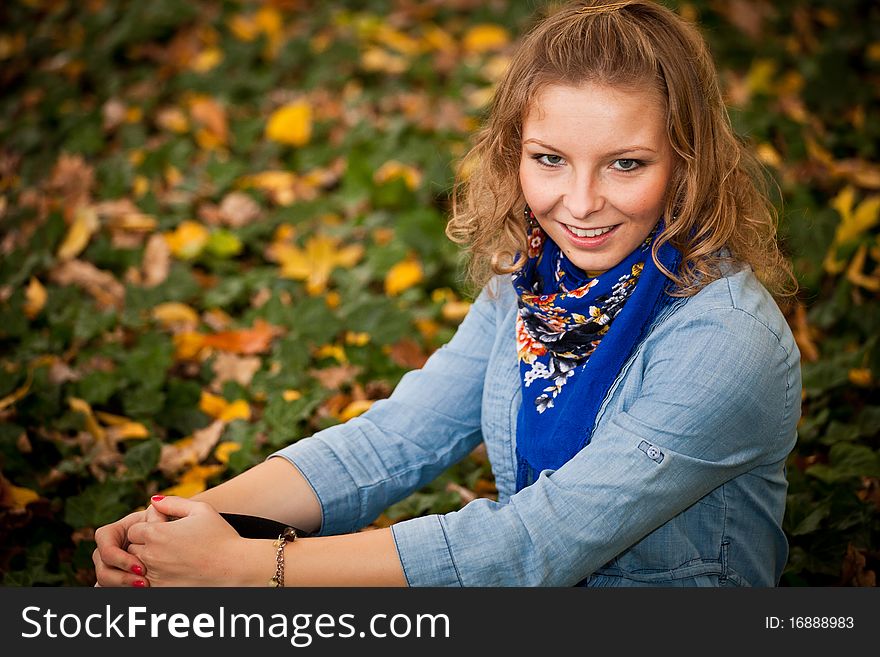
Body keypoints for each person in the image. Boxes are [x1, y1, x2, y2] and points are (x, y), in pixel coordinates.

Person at [93, 0, 801, 588]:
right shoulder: (534, 285)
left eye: (625, 163)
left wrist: (257, 567)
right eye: (549, 159)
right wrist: (177, 526)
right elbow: (398, 438)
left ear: (688, 163)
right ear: (513, 152)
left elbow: (531, 543)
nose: (580, 204)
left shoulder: (723, 341)